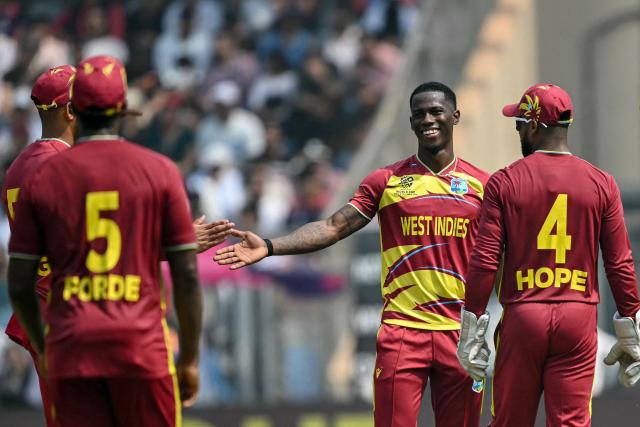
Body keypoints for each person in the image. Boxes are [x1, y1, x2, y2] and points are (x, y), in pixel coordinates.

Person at [215, 81, 490, 426]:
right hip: (403, 332)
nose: (428, 119)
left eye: (436, 111)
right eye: (419, 114)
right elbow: (332, 227)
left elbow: (507, 251)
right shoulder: (386, 180)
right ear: (411, 122)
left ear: (455, 116)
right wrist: (271, 246)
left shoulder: (484, 185)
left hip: (459, 333)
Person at [3, 65, 233, 426]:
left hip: (47, 319)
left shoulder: (17, 169)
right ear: (70, 109)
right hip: (93, 310)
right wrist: (177, 245)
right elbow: (95, 249)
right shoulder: (70, 167)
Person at [458, 83, 640, 426]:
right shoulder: (603, 182)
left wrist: (472, 322)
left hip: (523, 315)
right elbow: (619, 263)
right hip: (578, 316)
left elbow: (485, 260)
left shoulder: (504, 182)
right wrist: (631, 323)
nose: (518, 132)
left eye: (519, 124)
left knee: (511, 421)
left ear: (533, 126)